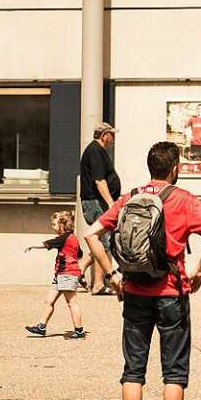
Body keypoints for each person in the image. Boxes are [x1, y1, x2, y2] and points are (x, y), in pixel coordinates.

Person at [85, 141, 201, 400]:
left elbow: (92, 234)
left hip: (134, 292)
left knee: (133, 369)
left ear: (150, 166)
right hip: (172, 292)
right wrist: (199, 271)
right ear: (175, 168)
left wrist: (112, 274)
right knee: (173, 372)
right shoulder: (184, 200)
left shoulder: (130, 197)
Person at [24, 210, 89, 339]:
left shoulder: (64, 237)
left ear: (62, 225)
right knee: (49, 301)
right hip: (60, 274)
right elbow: (79, 254)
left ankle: (79, 330)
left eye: (54, 225)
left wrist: (32, 246)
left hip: (67, 274)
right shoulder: (73, 238)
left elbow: (48, 244)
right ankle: (41, 327)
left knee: (72, 302)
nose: (53, 227)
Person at [79, 122, 121, 295]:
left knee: (101, 240)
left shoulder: (97, 150)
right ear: (104, 135)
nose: (113, 138)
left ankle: (79, 268)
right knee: (102, 241)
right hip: (95, 202)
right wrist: (111, 204)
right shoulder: (95, 151)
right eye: (111, 134)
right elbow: (99, 180)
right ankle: (98, 284)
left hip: (96, 202)